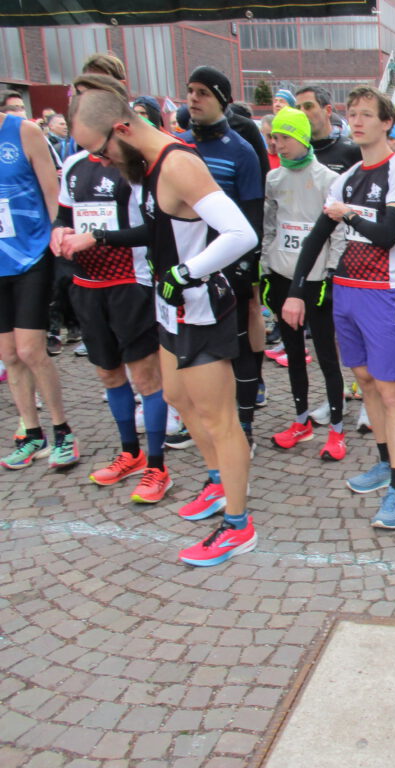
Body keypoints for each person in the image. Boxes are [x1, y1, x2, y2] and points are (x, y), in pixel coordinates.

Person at [69, 81, 258, 565]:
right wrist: (101, 238)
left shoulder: (178, 163)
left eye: (100, 150)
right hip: (169, 306)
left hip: (200, 309)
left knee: (221, 419)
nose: (101, 162)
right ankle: (217, 484)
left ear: (122, 129)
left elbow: (241, 233)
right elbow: (159, 232)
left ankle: (239, 525)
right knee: (176, 397)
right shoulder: (147, 166)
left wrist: (186, 272)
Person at [282, 86, 395, 530]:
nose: (357, 121)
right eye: (352, 114)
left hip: (384, 291)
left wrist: (349, 214)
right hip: (345, 288)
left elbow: (387, 234)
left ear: (387, 123)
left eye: (366, 115)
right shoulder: (346, 178)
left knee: (391, 391)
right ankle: (383, 463)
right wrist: (296, 290)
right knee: (363, 379)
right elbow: (316, 237)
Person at [50, 132, 171, 502]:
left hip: (129, 284)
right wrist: (58, 231)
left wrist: (99, 238)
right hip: (87, 286)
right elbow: (63, 215)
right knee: (108, 373)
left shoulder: (133, 167)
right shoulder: (73, 164)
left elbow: (152, 230)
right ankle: (130, 453)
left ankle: (157, 466)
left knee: (146, 377)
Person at [178, 66, 264, 454]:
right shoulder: (176, 147)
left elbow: (252, 216)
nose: (194, 99)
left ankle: (243, 422)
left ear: (222, 100)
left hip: (229, 267)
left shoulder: (241, 152)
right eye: (190, 91)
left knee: (240, 348)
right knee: (193, 348)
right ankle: (201, 418)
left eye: (203, 93)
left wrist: (244, 271)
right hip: (184, 266)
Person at [261, 107, 347, 459]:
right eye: (274, 138)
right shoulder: (274, 179)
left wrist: (329, 273)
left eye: (283, 137)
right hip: (282, 276)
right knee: (294, 352)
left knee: (326, 353)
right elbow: (269, 225)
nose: (277, 144)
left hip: (315, 281)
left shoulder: (328, 179)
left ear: (300, 137)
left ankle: (338, 430)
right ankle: (301, 421)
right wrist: (266, 266)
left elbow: (339, 232)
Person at [0, 104, 79, 470]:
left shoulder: (24, 132)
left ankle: (63, 431)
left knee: (31, 349)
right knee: (10, 354)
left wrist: (58, 242)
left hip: (30, 256)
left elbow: (52, 194)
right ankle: (32, 433)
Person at [295, 85, 362, 175]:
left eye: (308, 106)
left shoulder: (352, 150)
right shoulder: (296, 151)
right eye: (298, 108)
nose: (302, 113)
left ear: (328, 110)